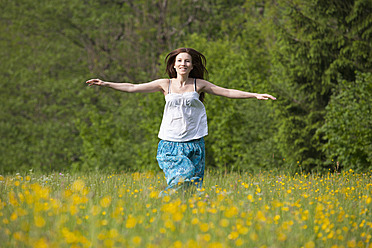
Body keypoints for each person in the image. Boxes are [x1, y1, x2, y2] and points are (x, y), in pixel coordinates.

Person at [86, 47, 276, 196]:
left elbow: (226, 92)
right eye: (179, 61)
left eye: (187, 61)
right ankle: (161, 201)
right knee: (182, 177)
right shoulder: (165, 84)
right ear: (174, 65)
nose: (183, 64)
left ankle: (183, 217)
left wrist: (254, 95)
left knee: (193, 187)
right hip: (170, 144)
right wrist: (106, 83)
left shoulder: (198, 84)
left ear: (192, 66)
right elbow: (133, 87)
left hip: (195, 143)